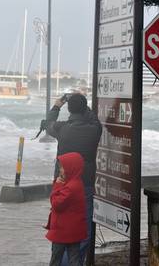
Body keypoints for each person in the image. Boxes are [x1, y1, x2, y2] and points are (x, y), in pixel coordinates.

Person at [45, 93, 102, 264]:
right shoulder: (94, 129)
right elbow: (93, 117)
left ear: (69, 109)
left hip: (62, 183)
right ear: (84, 109)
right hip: (85, 184)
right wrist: (82, 103)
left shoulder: (62, 128)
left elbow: (48, 125)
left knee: (61, 224)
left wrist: (56, 106)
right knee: (82, 226)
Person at [45, 152, 87, 266]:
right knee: (74, 258)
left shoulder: (70, 187)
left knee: (55, 259)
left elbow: (56, 204)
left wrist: (57, 186)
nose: (60, 170)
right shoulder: (77, 183)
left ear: (71, 168)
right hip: (74, 230)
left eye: (63, 167)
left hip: (62, 231)